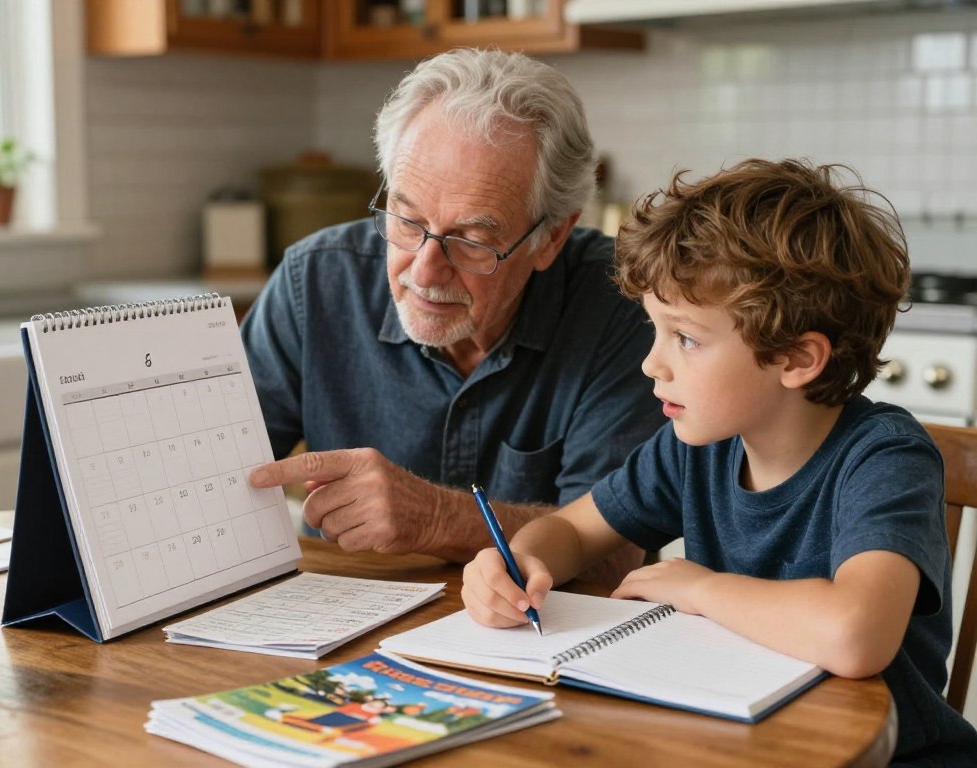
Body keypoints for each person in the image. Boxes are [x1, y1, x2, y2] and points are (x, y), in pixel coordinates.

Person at [461, 158, 977, 764]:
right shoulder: (695, 449)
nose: (653, 364)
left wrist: (702, 589)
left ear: (795, 358)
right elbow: (573, 529)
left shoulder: (884, 457)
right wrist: (517, 562)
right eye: (655, 331)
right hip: (747, 741)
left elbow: (855, 633)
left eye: (685, 338)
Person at [243, 48, 663, 569]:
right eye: (405, 218)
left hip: (536, 632)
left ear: (551, 237)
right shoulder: (315, 282)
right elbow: (213, 484)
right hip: (338, 620)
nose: (422, 272)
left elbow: (615, 549)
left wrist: (439, 518)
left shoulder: (622, 306)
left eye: (471, 242)